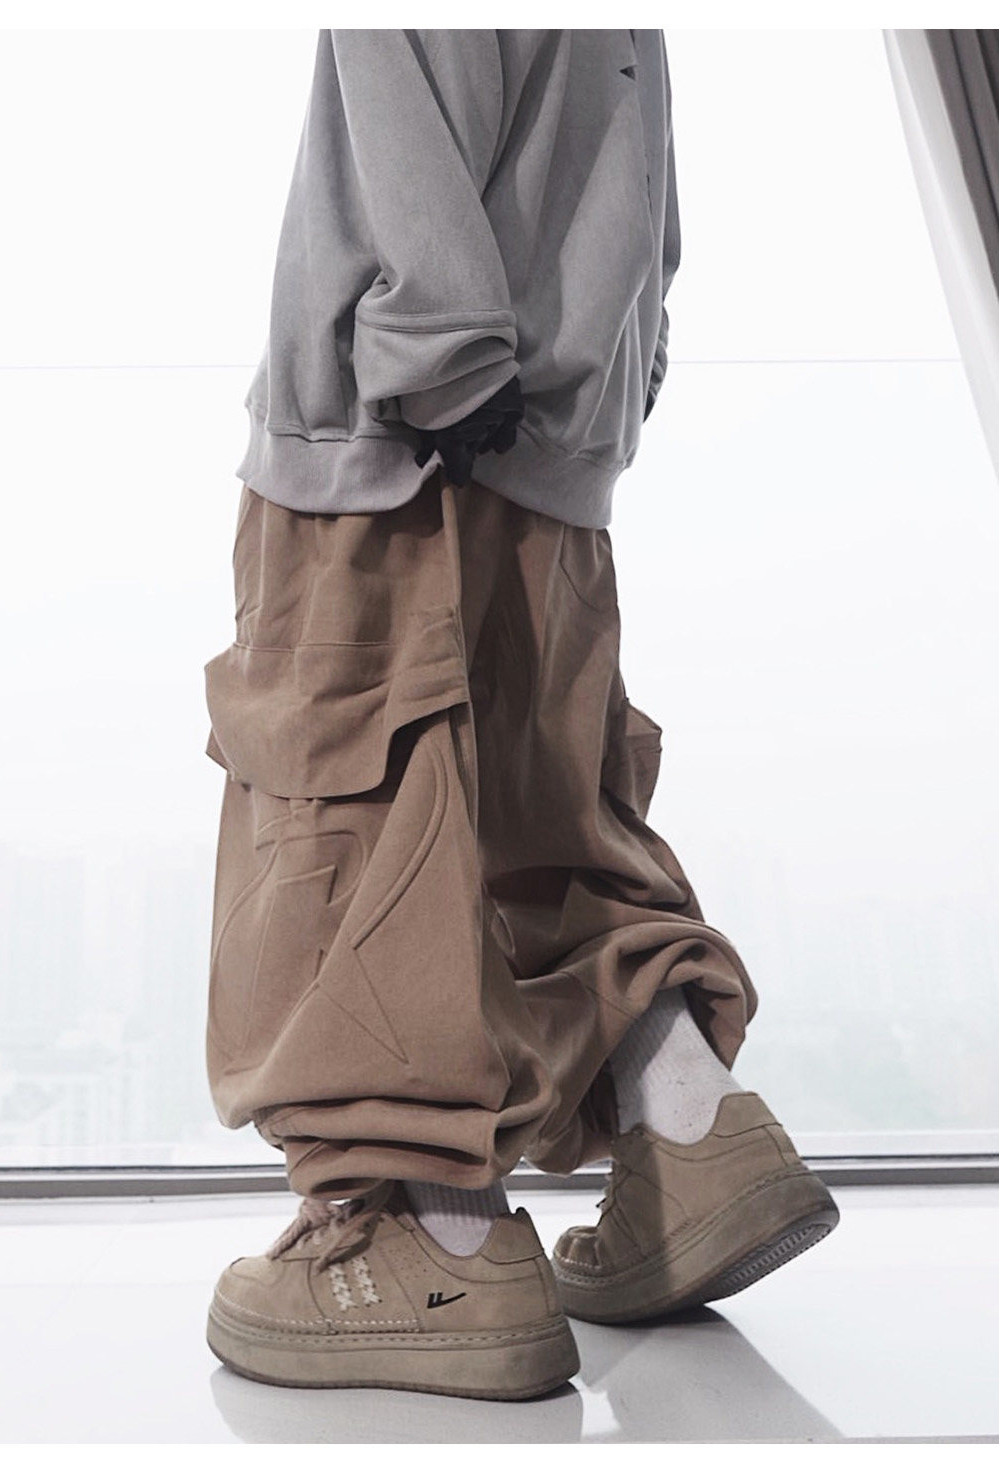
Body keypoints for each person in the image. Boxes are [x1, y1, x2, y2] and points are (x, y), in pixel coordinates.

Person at [201, 28, 839, 1402]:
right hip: (552, 440)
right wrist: (597, 398)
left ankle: (429, 1239)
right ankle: (691, 1129)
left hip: (398, 428)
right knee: (550, 819)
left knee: (346, 821)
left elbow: (400, 67)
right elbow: (640, 180)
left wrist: (433, 350)